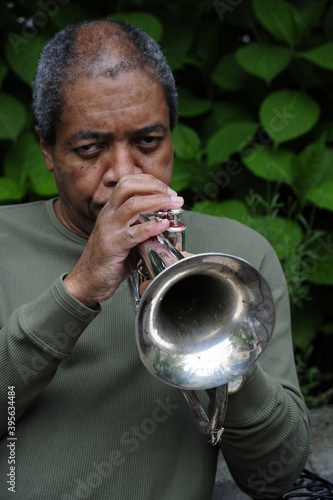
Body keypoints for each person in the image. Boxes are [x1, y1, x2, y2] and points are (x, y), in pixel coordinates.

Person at [0, 19, 310, 500]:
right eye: (89, 148)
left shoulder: (238, 258)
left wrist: (224, 343)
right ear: (46, 147)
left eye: (148, 143)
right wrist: (78, 290)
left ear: (172, 134)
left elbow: (278, 475)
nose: (123, 176)